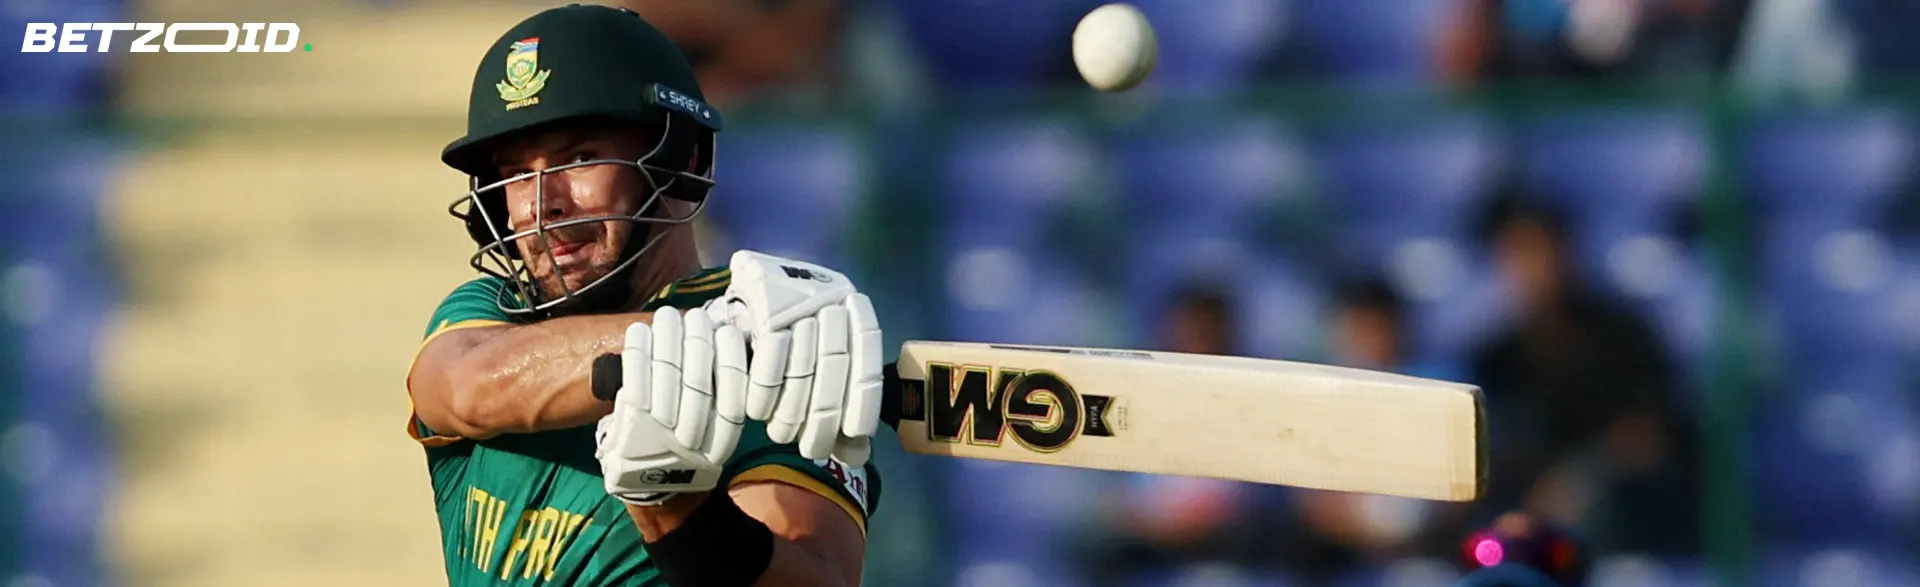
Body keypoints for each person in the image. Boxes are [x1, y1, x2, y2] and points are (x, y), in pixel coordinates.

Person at [404, 5, 884, 585]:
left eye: (579, 159)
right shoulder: (490, 311)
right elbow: (465, 385)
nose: (539, 203)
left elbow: (817, 575)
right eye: (512, 174)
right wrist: (697, 347)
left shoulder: (790, 356)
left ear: (679, 159)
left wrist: (678, 513)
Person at [1467, 195, 1698, 556]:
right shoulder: (1496, 358)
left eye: (1540, 252)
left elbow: (1649, 438)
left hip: (1624, 513)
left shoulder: (1623, 336)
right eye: (1516, 255)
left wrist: (1579, 478)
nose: (1532, 269)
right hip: (1524, 511)